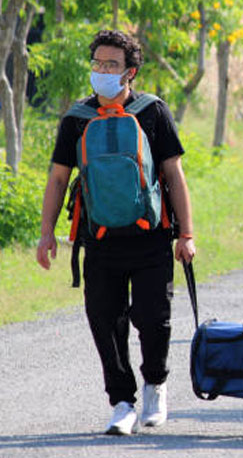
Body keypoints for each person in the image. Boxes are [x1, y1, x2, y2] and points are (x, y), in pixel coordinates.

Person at [36, 30, 196, 435]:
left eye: (111, 65)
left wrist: (186, 234)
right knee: (103, 318)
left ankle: (156, 383)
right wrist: (46, 233)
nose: (102, 71)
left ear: (131, 72)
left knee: (153, 317)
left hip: (151, 236)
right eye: (98, 64)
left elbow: (174, 175)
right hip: (100, 238)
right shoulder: (76, 118)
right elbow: (58, 179)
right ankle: (122, 401)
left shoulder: (153, 112)